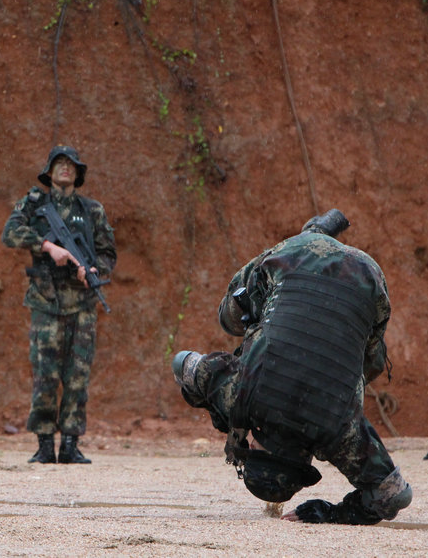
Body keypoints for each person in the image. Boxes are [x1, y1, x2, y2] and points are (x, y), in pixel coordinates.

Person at [172, 208, 413, 524]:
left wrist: (330, 512)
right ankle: (313, 236)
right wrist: (225, 410)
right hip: (303, 258)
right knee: (236, 320)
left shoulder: (339, 433)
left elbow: (395, 496)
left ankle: (315, 235)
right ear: (257, 446)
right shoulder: (240, 395)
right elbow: (184, 363)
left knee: (231, 318)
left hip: (368, 279)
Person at [1, 145, 116, 464]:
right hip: (46, 301)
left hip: (81, 305)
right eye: (59, 164)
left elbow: (108, 253)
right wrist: (47, 245)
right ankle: (43, 445)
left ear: (78, 174)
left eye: (71, 165)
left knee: (77, 376)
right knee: (45, 376)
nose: (65, 168)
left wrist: (93, 270)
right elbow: (9, 233)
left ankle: (69, 444)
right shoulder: (34, 204)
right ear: (49, 172)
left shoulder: (92, 210)